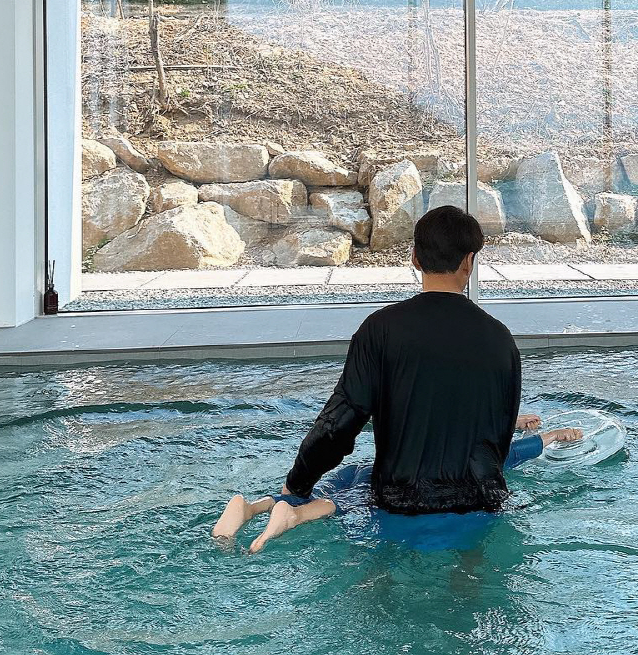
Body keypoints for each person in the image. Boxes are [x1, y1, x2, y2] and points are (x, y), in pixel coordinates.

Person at [213, 203, 580, 552]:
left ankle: (271, 507)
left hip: (395, 502)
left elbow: (339, 423)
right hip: (480, 506)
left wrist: (297, 485)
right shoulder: (500, 340)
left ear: (415, 259)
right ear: (469, 262)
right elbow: (494, 443)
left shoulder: (380, 330)